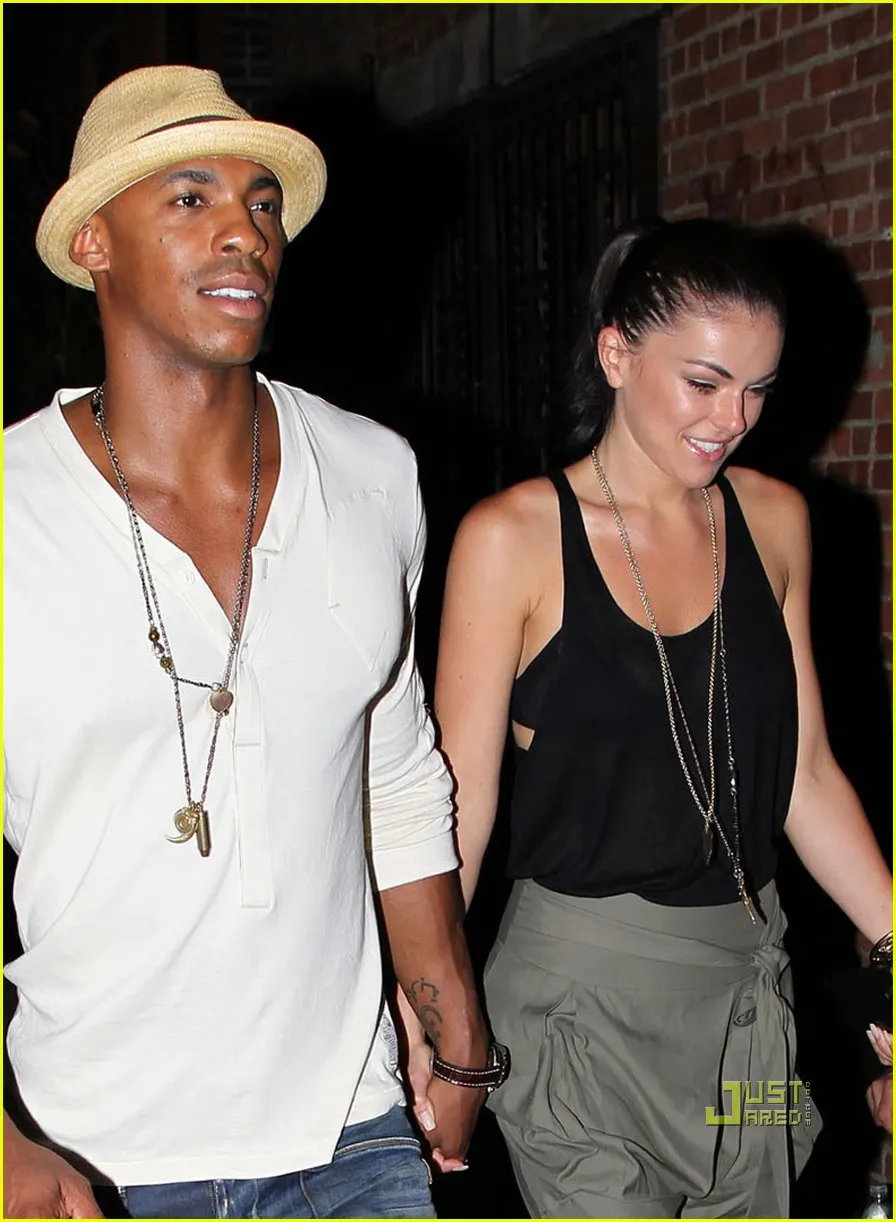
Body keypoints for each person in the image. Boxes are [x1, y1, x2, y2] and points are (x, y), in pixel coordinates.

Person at [3, 65, 508, 1220]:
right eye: (190, 198)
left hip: (350, 1133)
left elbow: (393, 770)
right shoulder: (13, 512)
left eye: (262, 201)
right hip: (94, 1156)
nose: (246, 231)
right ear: (92, 242)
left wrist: (455, 1029)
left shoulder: (371, 473)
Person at [433, 217, 893, 1218]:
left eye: (757, 389)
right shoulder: (512, 539)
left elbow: (805, 772)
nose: (733, 418)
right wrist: (430, 1011)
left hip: (745, 1009)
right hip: (578, 1014)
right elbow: (455, 810)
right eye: (704, 382)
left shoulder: (775, 520)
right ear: (616, 354)